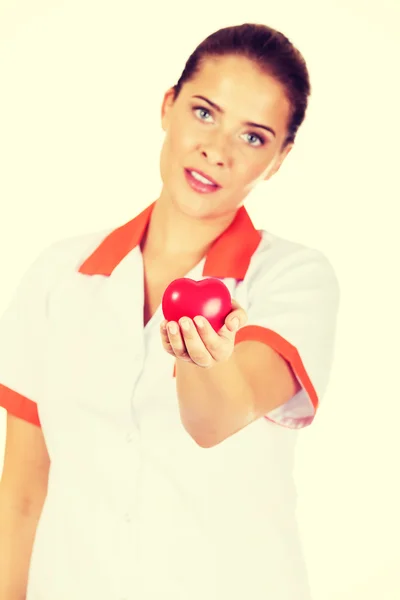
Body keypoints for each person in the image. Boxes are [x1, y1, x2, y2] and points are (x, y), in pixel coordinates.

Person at [0, 22, 340, 600]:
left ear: (280, 159)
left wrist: (202, 361)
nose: (217, 149)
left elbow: (214, 421)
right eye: (205, 113)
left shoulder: (294, 279)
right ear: (168, 106)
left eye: (254, 137)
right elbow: (25, 490)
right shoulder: (60, 275)